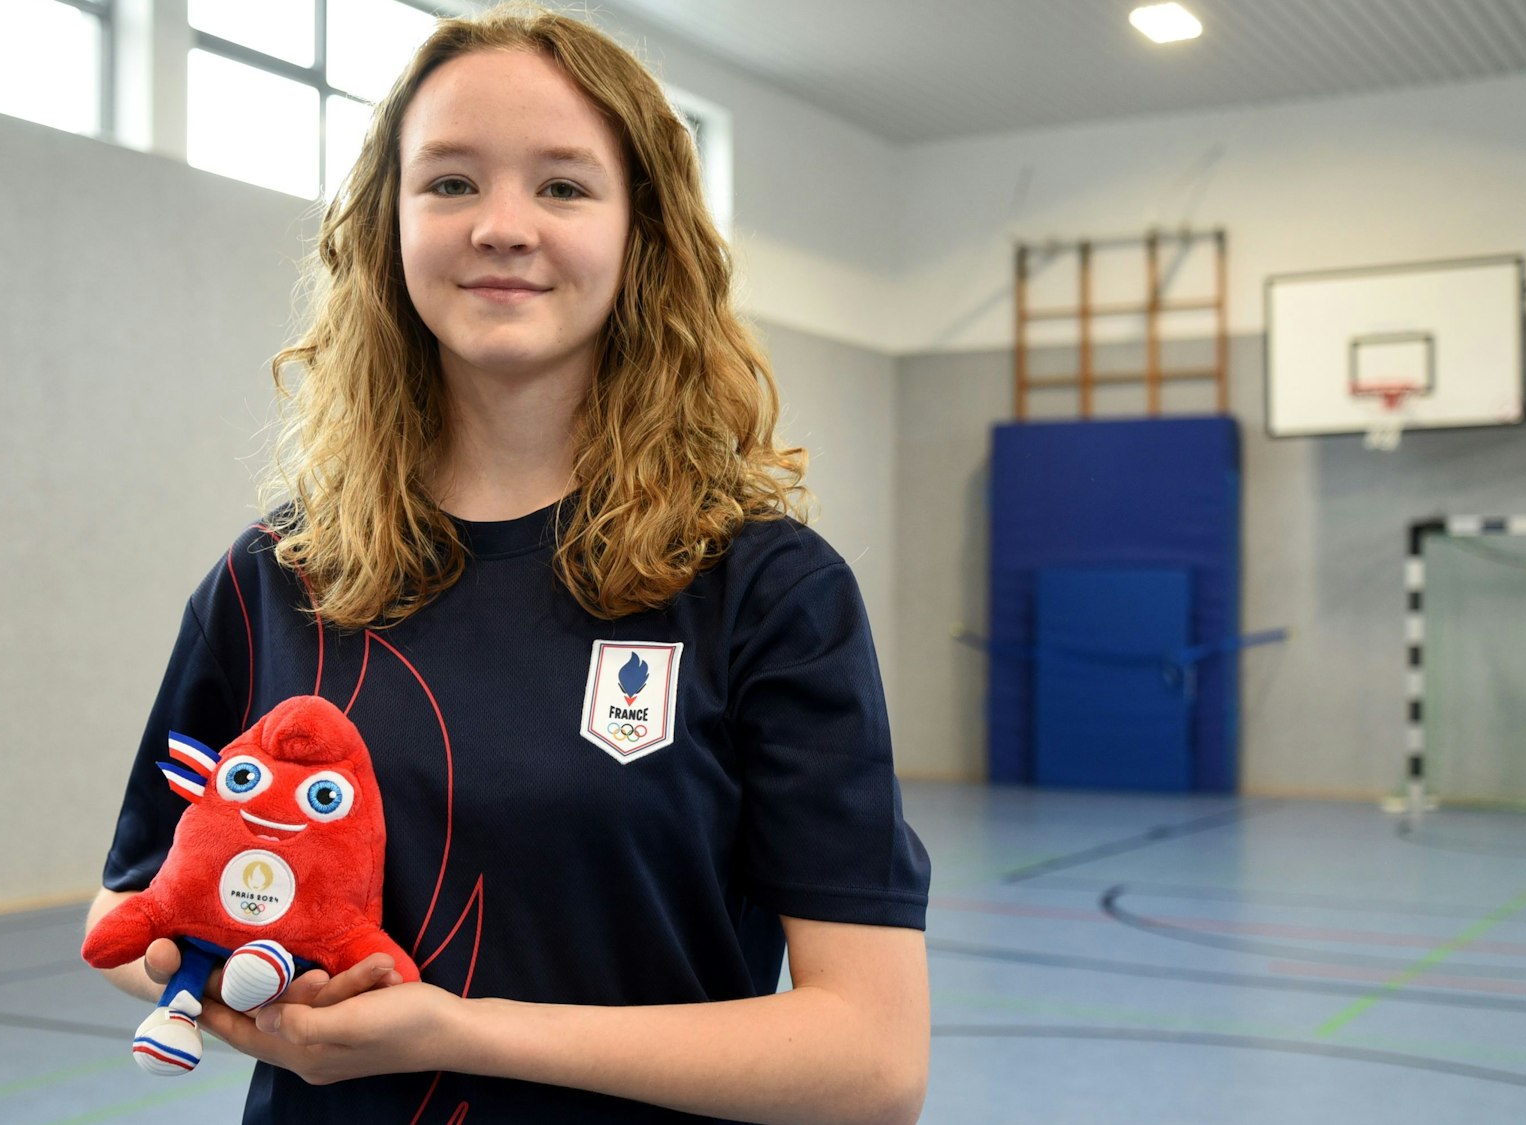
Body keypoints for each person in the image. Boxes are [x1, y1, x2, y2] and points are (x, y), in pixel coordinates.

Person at [85, 5, 931, 1122]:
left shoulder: (765, 592)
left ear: (645, 234)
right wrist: (254, 992)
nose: (501, 225)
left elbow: (870, 1063)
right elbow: (132, 907)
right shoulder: (279, 577)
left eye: (563, 185)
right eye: (448, 183)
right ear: (388, 226)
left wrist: (449, 1027)